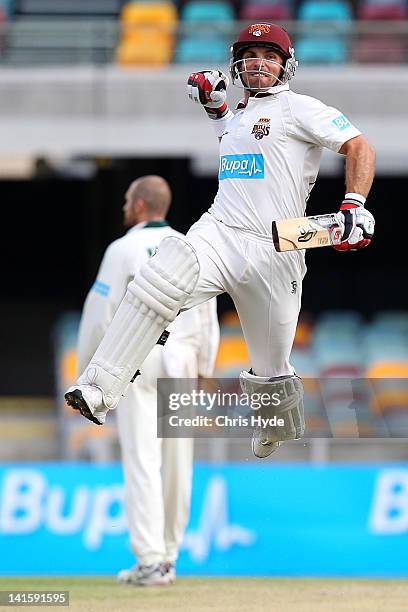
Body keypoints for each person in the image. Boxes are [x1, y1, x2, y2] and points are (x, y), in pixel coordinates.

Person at [65, 23, 375, 459]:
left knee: (271, 369)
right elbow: (236, 138)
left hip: (276, 249)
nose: (259, 63)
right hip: (219, 231)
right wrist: (217, 111)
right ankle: (99, 387)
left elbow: (361, 147)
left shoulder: (301, 109)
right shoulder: (239, 117)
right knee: (158, 280)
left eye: (269, 55)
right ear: (238, 64)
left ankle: (275, 427)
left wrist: (353, 206)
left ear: (287, 65)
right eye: (250, 55)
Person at [75, 175, 220, 585]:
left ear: (139, 206)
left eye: (126, 200)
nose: (123, 206)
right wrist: (205, 366)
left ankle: (151, 561)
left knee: (142, 460)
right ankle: (169, 557)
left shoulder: (121, 250)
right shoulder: (192, 247)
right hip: (184, 361)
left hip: (137, 362)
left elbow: (99, 314)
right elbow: (208, 311)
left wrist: (86, 378)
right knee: (179, 463)